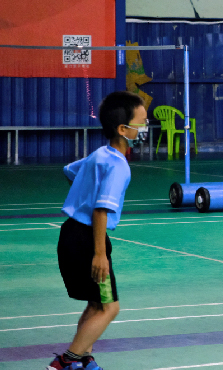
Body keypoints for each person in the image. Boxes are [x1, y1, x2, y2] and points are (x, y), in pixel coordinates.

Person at [47, 91, 148, 370]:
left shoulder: (99, 155)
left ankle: (83, 360)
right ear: (123, 129)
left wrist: (86, 193)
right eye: (141, 123)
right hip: (89, 239)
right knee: (109, 307)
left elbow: (70, 171)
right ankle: (65, 363)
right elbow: (101, 210)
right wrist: (100, 254)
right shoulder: (118, 165)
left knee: (95, 304)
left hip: (70, 233)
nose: (145, 128)